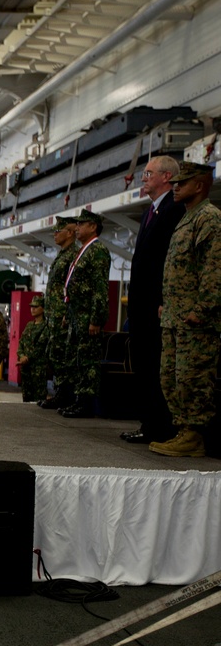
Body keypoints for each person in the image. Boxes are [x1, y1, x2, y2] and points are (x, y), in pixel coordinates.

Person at [149, 161, 221, 457]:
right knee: (170, 376)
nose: (175, 187)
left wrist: (201, 309)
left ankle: (194, 435)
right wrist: (168, 305)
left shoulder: (210, 218)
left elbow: (214, 271)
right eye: (175, 182)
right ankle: (184, 432)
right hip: (175, 317)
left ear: (200, 185)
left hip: (196, 321)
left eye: (183, 182)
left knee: (191, 377)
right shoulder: (187, 218)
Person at [120, 156, 185, 444]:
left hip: (156, 307)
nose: (143, 178)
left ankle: (158, 426)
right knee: (144, 367)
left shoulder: (173, 209)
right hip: (142, 306)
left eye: (148, 173)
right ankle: (149, 423)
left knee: (155, 367)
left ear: (167, 176)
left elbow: (167, 262)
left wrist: (162, 300)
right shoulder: (154, 210)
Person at [58, 209, 111, 418]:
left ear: (93, 227)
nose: (77, 227)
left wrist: (96, 319)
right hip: (76, 314)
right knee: (78, 358)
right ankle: (77, 399)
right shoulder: (84, 250)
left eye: (81, 224)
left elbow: (100, 288)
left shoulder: (97, 250)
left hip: (87, 316)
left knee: (87, 360)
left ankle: (86, 402)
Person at [39, 216, 79, 409]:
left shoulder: (73, 255)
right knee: (55, 354)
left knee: (63, 355)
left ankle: (65, 395)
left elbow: (72, 288)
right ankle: (59, 393)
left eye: (58, 231)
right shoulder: (63, 255)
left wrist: (65, 313)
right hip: (53, 315)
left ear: (70, 233)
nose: (55, 234)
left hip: (62, 316)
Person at [16, 295, 49, 403]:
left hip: (38, 368)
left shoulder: (46, 326)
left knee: (39, 399)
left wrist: (27, 358)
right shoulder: (29, 325)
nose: (32, 309)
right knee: (26, 398)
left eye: (36, 306)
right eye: (31, 306)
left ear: (43, 308)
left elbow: (40, 346)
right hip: (26, 368)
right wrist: (21, 356)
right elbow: (21, 342)